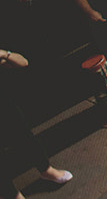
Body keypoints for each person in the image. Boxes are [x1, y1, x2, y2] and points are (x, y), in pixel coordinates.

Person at [1, 48, 73, 199]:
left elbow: (23, 63)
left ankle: (46, 170)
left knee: (24, 136)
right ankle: (13, 195)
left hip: (4, 104)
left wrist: (4, 54)